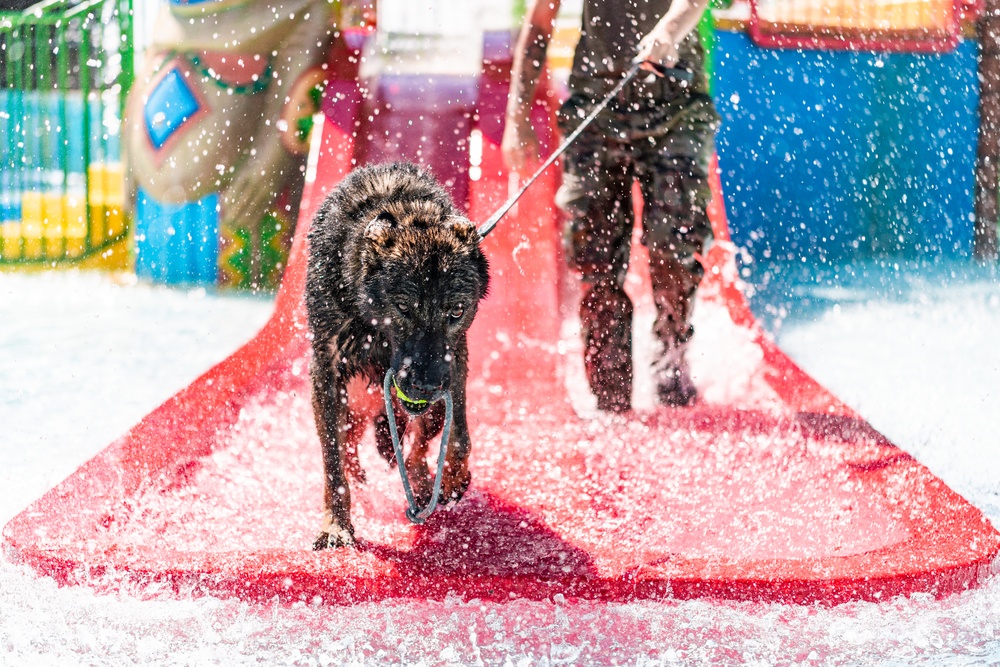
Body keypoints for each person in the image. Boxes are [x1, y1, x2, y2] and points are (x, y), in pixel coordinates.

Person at [502, 0, 720, 412]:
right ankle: (610, 392)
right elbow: (540, 22)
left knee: (673, 243)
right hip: (597, 109)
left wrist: (667, 32)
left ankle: (671, 353)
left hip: (677, 105)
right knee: (595, 259)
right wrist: (517, 118)